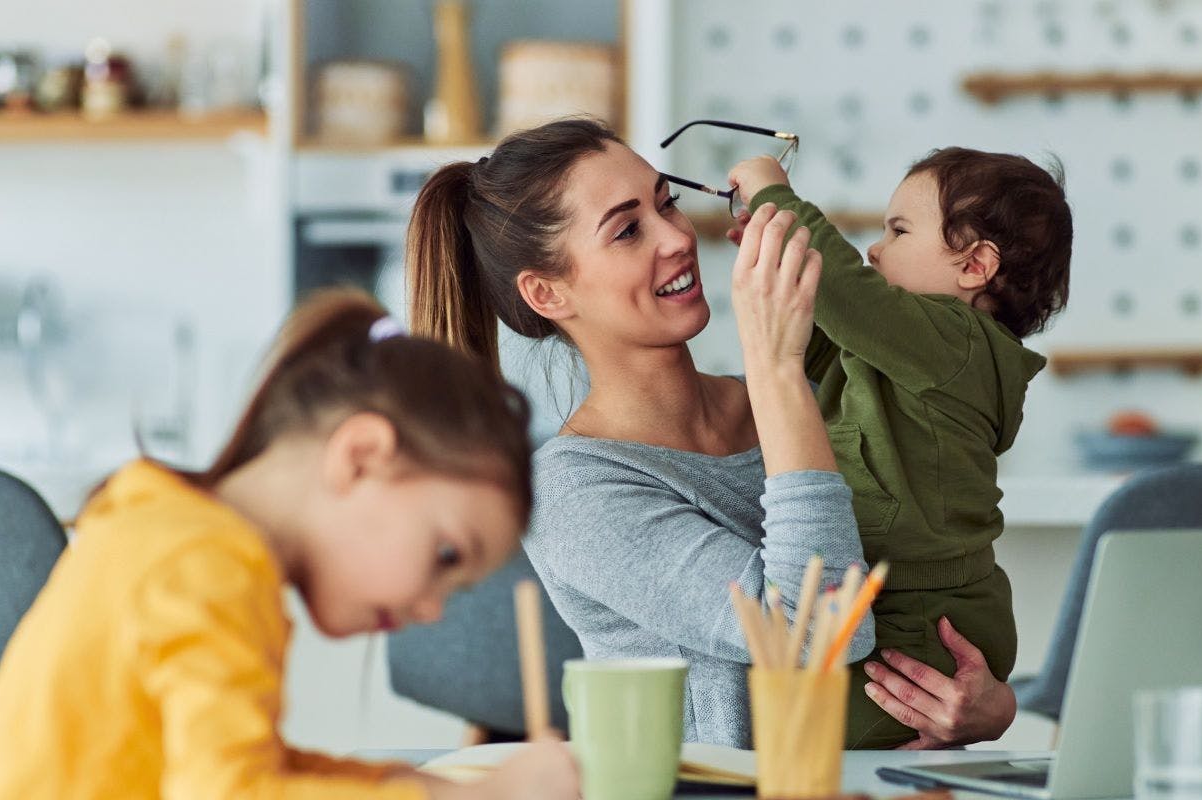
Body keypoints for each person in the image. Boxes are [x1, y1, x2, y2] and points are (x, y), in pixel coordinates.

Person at [405, 117, 1016, 749]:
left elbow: (931, 566)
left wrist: (987, 705)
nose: (677, 236)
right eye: (627, 230)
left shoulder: (801, 401)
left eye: (667, 202)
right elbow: (813, 633)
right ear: (548, 293)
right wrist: (775, 364)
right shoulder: (572, 492)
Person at [0, 289, 579, 800]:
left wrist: (437, 787)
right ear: (360, 457)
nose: (433, 610)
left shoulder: (173, 530)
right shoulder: (207, 566)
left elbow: (249, 769)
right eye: (446, 556)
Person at [725, 148, 1072, 747]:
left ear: (974, 266)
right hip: (890, 605)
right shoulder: (895, 353)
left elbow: (848, 296)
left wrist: (773, 199)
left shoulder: (958, 341)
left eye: (899, 230)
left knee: (811, 734)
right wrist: (780, 269)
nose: (875, 250)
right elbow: (808, 340)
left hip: (923, 620)